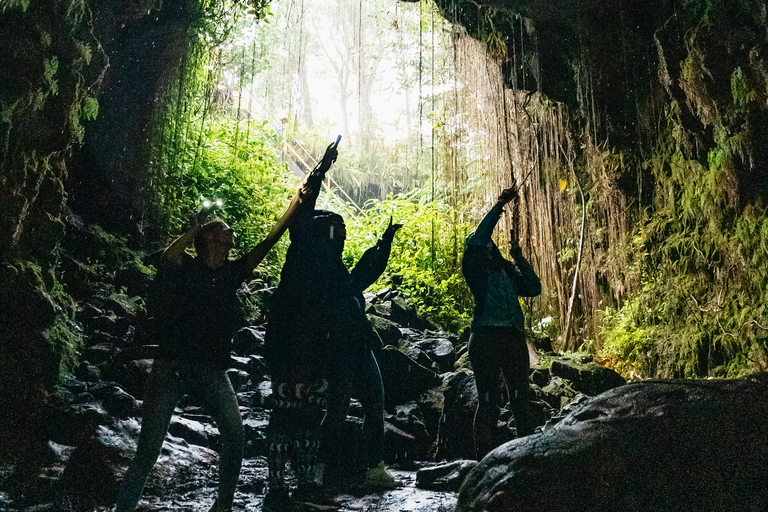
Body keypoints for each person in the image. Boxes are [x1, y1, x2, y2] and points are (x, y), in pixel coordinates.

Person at [114, 145, 336, 512]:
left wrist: (300, 198)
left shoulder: (232, 274)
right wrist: (192, 230)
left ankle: (223, 506)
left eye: (228, 234)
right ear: (208, 240)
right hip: (171, 367)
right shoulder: (187, 267)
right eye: (222, 232)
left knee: (236, 435)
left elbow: (272, 238)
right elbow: (169, 257)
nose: (229, 236)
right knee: (149, 448)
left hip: (211, 370)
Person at [263, 184, 400, 507]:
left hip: (356, 346)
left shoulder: (330, 270)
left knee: (371, 404)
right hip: (332, 350)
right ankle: (312, 474)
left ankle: (366, 468)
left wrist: (384, 243)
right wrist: (316, 179)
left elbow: (359, 277)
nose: (342, 236)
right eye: (337, 231)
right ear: (322, 232)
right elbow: (352, 279)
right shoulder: (311, 267)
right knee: (331, 411)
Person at [461, 186, 541, 460]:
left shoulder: (507, 273)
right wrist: (499, 204)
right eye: (481, 244)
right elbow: (478, 238)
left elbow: (533, 287)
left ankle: (526, 457)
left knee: (520, 399)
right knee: (488, 401)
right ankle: (484, 459)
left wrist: (518, 256)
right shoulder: (475, 272)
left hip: (513, 339)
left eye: (488, 245)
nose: (485, 246)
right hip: (485, 338)